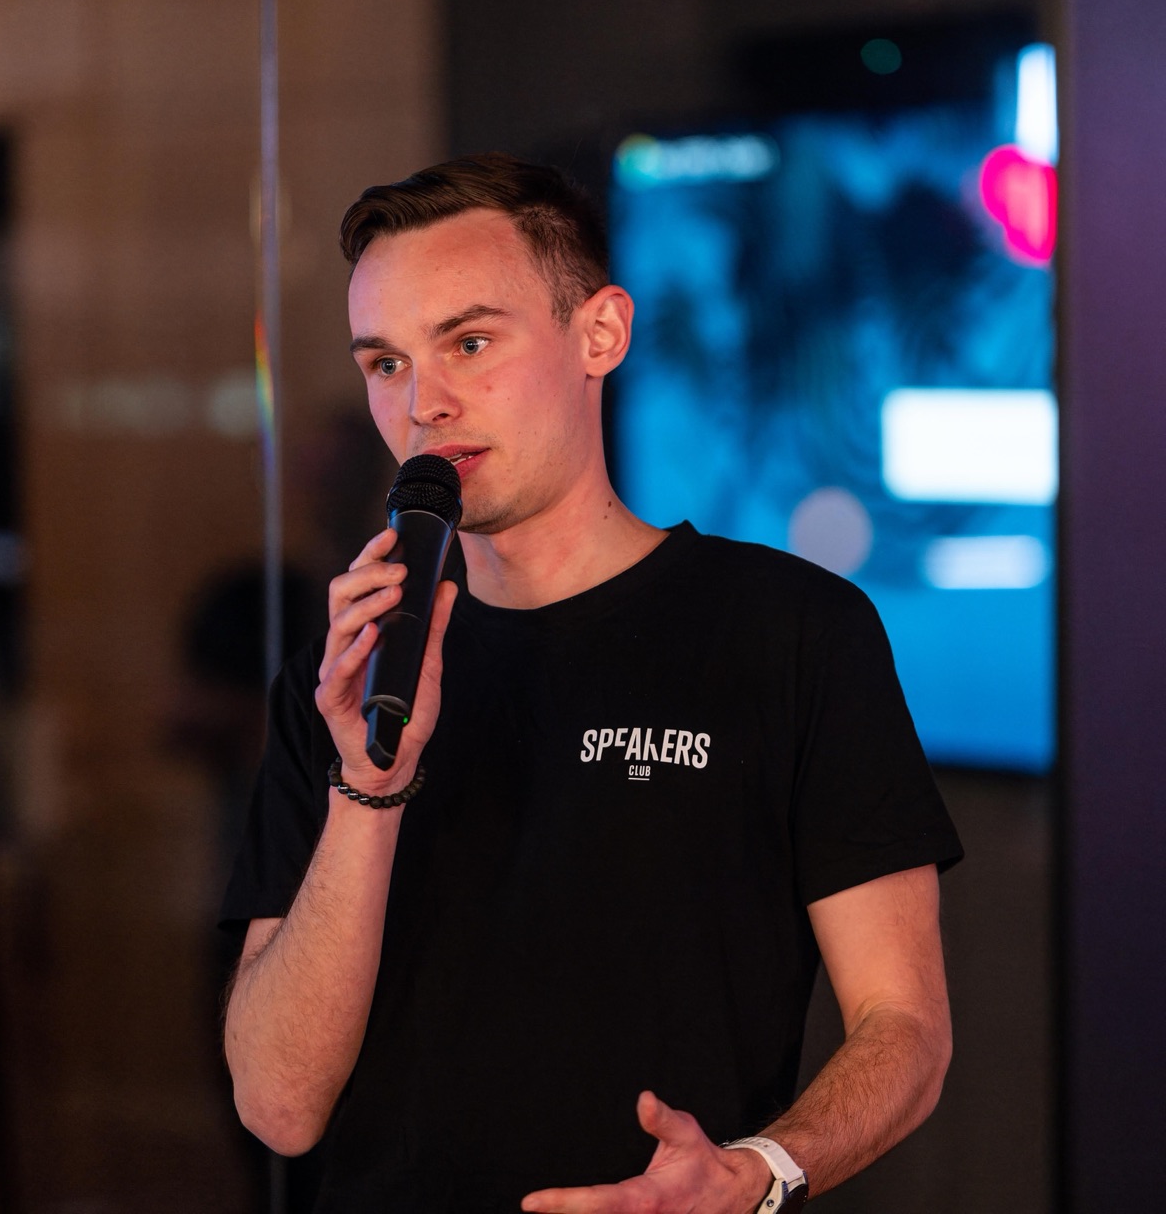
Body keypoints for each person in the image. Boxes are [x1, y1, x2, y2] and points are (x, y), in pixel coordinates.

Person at [220, 154, 963, 1214]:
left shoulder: (790, 633)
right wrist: (366, 778)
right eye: (384, 363)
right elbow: (279, 1103)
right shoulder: (342, 679)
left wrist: (758, 1170)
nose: (423, 403)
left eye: (469, 344)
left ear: (598, 335)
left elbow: (905, 1027)